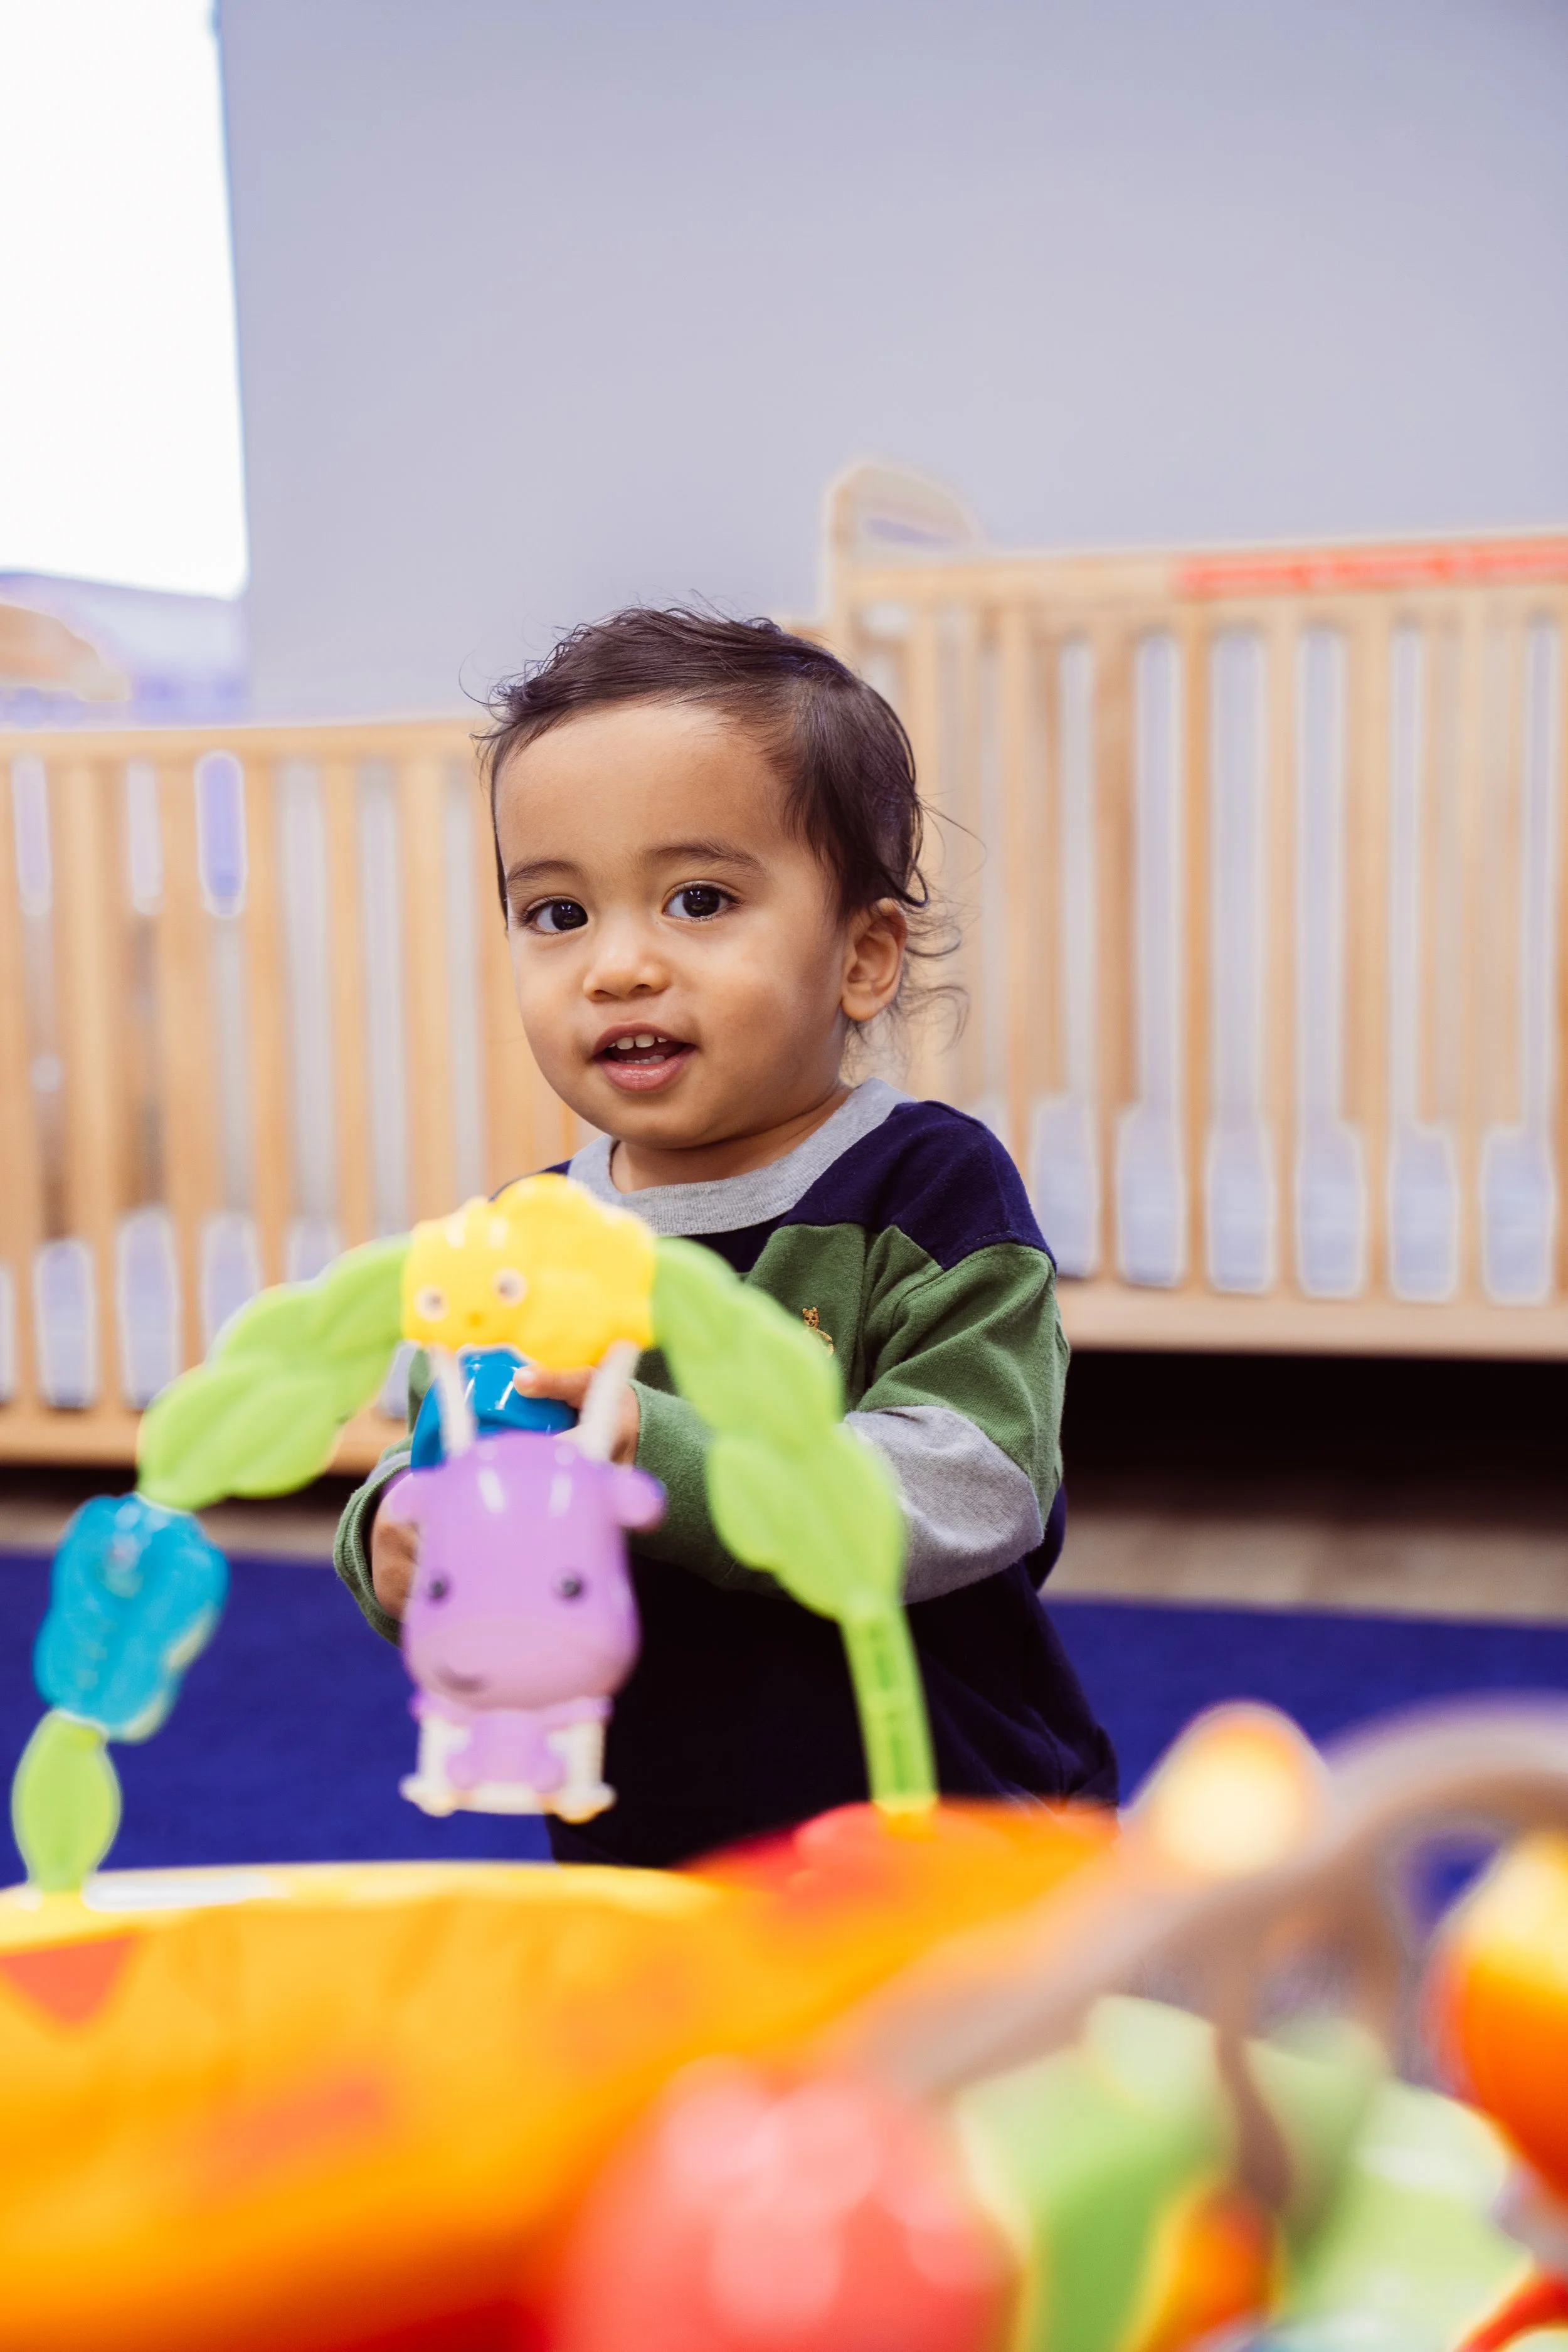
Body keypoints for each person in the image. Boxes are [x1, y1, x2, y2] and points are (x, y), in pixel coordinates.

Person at [333, 609, 1116, 1864]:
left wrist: (662, 1448)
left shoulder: (924, 1190)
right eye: (555, 915)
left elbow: (977, 1484)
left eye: (697, 900)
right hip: (656, 1840)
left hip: (945, 1831)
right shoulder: (524, 1237)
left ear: (861, 959)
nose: (617, 967)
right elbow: (435, 1437)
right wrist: (391, 1530)